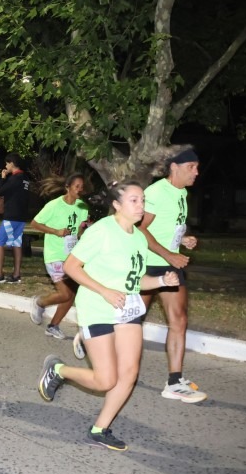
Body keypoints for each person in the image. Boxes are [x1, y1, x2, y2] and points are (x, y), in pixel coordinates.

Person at [38, 181, 179, 451]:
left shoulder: (138, 237)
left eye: (143, 201)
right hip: (97, 308)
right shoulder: (101, 231)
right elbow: (71, 267)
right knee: (105, 380)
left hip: (126, 311)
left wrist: (161, 279)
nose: (141, 206)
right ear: (116, 204)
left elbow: (135, 281)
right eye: (134, 201)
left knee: (129, 373)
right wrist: (104, 291)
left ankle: (100, 428)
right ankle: (58, 370)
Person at [138, 149, 206, 403]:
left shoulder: (182, 193)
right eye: (192, 166)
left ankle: (174, 381)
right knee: (131, 321)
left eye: (197, 167)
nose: (196, 172)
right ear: (174, 167)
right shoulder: (156, 192)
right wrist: (169, 254)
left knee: (179, 320)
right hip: (147, 264)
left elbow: (169, 225)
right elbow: (140, 229)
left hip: (170, 265)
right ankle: (94, 338)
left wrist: (182, 239)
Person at [28, 174, 90, 339]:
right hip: (54, 254)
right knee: (65, 293)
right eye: (76, 186)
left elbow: (80, 230)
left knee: (71, 295)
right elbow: (35, 223)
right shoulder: (54, 205)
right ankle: (39, 302)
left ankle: (53, 326)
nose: (80, 190)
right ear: (68, 187)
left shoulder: (82, 207)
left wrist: (85, 229)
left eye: (81, 187)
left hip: (72, 256)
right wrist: (56, 231)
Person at [0, 153, 30, 284]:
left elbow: (0, 191)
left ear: (12, 163)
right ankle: (16, 274)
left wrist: (3, 178)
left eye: (7, 163)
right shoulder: (25, 178)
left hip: (11, 216)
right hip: (21, 216)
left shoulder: (15, 178)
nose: (5, 166)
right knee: (16, 244)